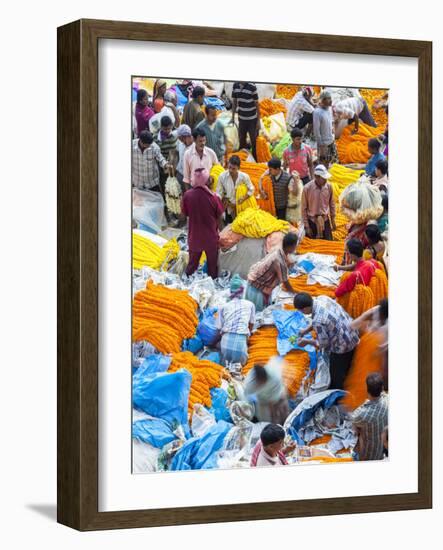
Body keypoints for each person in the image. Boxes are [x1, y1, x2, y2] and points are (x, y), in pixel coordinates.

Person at [294, 293, 360, 390]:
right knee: (348, 363)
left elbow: (323, 344)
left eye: (300, 311)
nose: (301, 313)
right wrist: (306, 330)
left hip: (343, 345)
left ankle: (339, 391)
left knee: (337, 373)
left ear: (305, 309)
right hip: (352, 331)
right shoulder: (322, 298)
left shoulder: (318, 321)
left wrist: (306, 341)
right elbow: (324, 321)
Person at [181, 168, 224, 279]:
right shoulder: (214, 198)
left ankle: (186, 283)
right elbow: (219, 219)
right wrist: (222, 234)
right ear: (207, 180)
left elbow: (183, 215)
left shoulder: (187, 195)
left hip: (194, 237)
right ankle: (212, 287)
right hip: (211, 239)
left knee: (192, 266)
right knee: (212, 268)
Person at [245, 232, 298, 312]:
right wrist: (295, 293)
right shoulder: (280, 262)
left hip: (254, 278)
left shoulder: (278, 249)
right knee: (258, 312)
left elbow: (286, 260)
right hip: (258, 286)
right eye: (294, 246)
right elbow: (285, 282)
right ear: (289, 247)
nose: (295, 248)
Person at [216, 275, 256, 366]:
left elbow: (219, 328)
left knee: (225, 364)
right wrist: (247, 339)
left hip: (225, 345)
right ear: (242, 291)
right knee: (241, 366)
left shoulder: (223, 307)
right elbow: (251, 325)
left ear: (230, 292)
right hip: (241, 346)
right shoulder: (250, 305)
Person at [350, 372, 388, 461]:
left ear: (367, 390)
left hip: (368, 455)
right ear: (382, 388)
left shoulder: (361, 414)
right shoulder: (387, 401)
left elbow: (354, 420)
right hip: (381, 450)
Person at [244, 360, 289, 425]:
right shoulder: (250, 383)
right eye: (260, 382)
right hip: (263, 400)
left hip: (278, 394)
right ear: (256, 379)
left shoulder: (274, 375)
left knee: (283, 411)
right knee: (266, 421)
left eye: (263, 381)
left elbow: (273, 401)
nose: (262, 383)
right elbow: (246, 396)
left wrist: (274, 413)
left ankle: (286, 424)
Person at [301, 164, 336, 239]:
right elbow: (303, 208)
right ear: (316, 177)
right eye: (323, 178)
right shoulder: (307, 188)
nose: (326, 180)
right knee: (313, 247)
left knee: (328, 245)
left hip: (325, 220)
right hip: (312, 222)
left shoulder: (329, 187)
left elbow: (332, 203)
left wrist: (333, 219)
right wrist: (307, 226)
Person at [216, 155, 254, 223]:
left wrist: (243, 198)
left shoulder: (244, 177)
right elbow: (219, 192)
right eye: (229, 167)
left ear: (238, 168)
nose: (230, 170)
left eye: (233, 168)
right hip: (229, 207)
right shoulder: (222, 176)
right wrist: (222, 199)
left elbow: (251, 189)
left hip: (242, 207)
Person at [231, 81, 261, 160]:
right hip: (242, 119)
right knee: (242, 141)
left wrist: (258, 121)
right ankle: (242, 160)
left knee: (254, 141)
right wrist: (232, 117)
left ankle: (256, 160)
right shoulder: (235, 85)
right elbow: (234, 102)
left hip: (252, 120)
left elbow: (257, 104)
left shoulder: (252, 86)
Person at [313, 90, 337, 167]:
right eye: (328, 98)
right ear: (323, 100)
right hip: (324, 143)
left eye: (330, 98)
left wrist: (333, 132)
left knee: (333, 162)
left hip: (331, 140)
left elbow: (331, 121)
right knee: (324, 164)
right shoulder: (317, 112)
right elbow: (316, 131)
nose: (331, 100)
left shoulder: (329, 108)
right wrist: (321, 145)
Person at [175, 124, 194, 191]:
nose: (180, 140)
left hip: (190, 178)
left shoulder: (195, 147)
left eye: (181, 138)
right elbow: (176, 152)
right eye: (179, 138)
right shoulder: (180, 143)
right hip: (180, 174)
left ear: (187, 136)